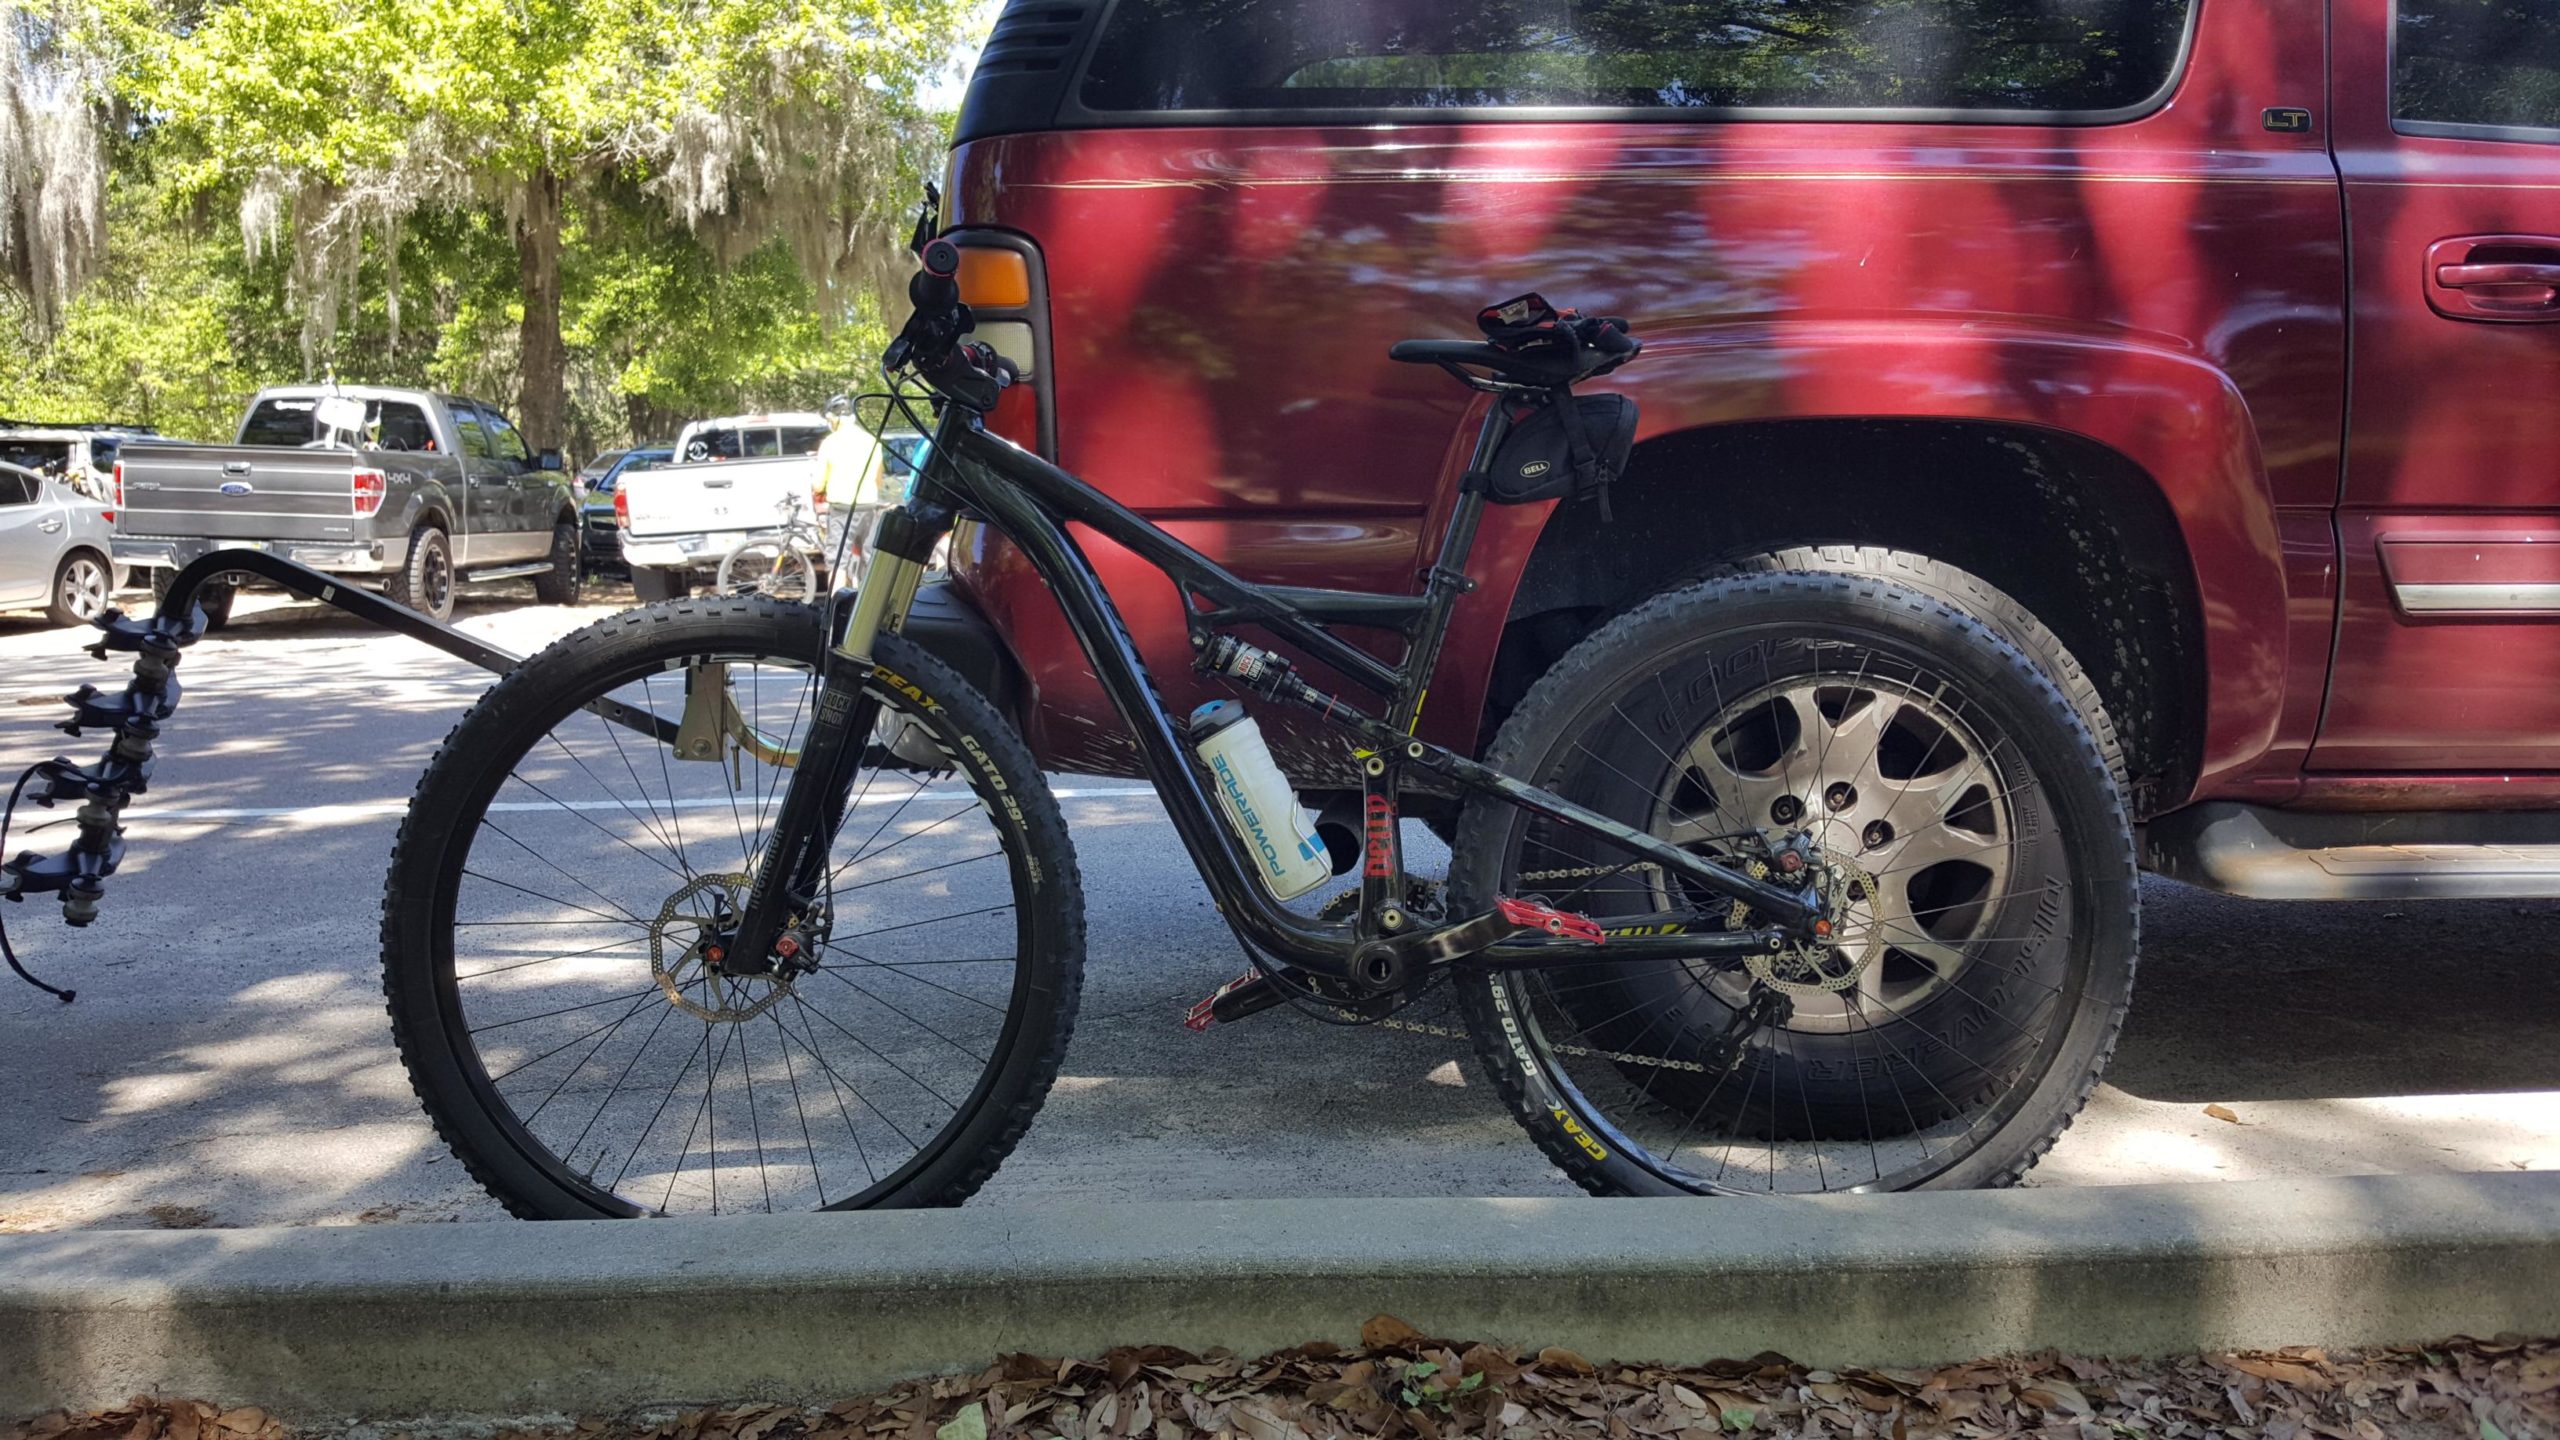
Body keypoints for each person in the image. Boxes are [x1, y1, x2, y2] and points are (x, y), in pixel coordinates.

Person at [812, 396, 887, 579]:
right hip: (869, 505)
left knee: (838, 563)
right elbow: (878, 478)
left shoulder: (830, 442)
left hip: (841, 508)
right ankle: (870, 603)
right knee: (869, 559)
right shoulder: (872, 441)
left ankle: (834, 607)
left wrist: (819, 490)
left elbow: (818, 483)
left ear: (835, 418)